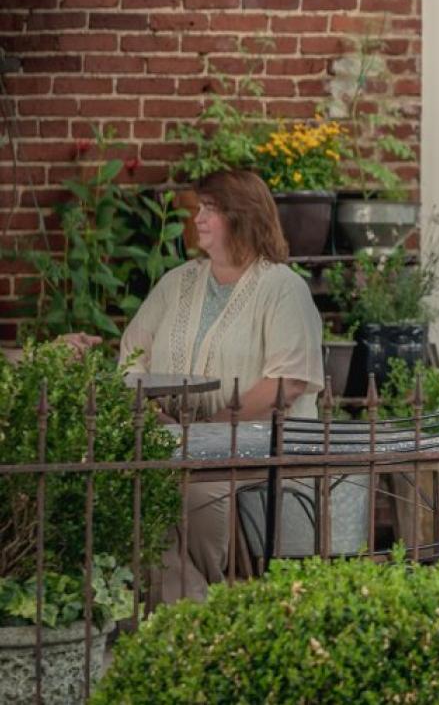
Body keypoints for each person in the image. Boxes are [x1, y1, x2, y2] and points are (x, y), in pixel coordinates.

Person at [120, 169, 323, 600]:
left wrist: (210, 429)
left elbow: (286, 384)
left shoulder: (282, 288)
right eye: (200, 208)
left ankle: (189, 614)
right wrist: (156, 418)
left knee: (185, 498)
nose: (198, 218)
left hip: (256, 448)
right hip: (171, 441)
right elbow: (132, 353)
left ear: (242, 217)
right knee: (128, 493)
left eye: (210, 209)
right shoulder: (178, 282)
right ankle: (193, 613)